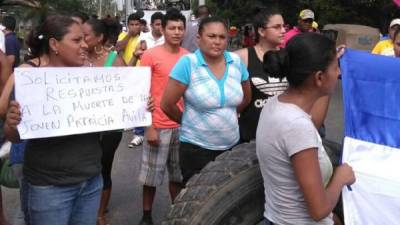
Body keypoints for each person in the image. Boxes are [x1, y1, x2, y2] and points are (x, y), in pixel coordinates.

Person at [3, 15, 103, 225]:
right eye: (77, 41)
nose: (85, 45)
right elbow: (15, 136)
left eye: (84, 39)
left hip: (91, 179)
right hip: (49, 186)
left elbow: (111, 119)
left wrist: (138, 107)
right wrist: (12, 124)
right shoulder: (30, 77)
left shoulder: (92, 75)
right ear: (54, 44)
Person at [257, 32, 355, 225]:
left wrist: (329, 57)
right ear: (319, 77)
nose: (339, 73)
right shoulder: (297, 126)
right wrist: (340, 178)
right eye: (336, 67)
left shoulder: (275, 105)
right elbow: (318, 211)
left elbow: (311, 124)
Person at [161, 17, 251, 184]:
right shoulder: (188, 63)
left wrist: (227, 116)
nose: (217, 42)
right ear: (198, 38)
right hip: (196, 149)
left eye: (222, 37)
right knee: (197, 203)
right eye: (211, 36)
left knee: (226, 199)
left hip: (231, 147)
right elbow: (167, 104)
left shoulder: (236, 62)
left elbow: (246, 98)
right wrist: (186, 121)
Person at [137, 9, 188, 225]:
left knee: (178, 176)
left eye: (180, 28)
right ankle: (146, 215)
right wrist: (148, 127)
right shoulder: (150, 55)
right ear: (162, 29)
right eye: (172, 28)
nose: (176, 32)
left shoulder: (189, 57)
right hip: (157, 125)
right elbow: (140, 92)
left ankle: (178, 214)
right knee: (150, 178)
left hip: (182, 126)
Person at [82, 18, 125, 225]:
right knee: (83, 167)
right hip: (82, 126)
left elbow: (131, 90)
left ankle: (99, 213)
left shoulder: (114, 61)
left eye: (85, 36)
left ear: (99, 38)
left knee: (103, 167)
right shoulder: (75, 60)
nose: (81, 41)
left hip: (110, 127)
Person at [235, 8, 288, 142]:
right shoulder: (241, 57)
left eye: (284, 26)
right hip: (251, 135)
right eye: (277, 27)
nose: (283, 31)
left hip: (284, 133)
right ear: (261, 31)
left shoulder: (290, 56)